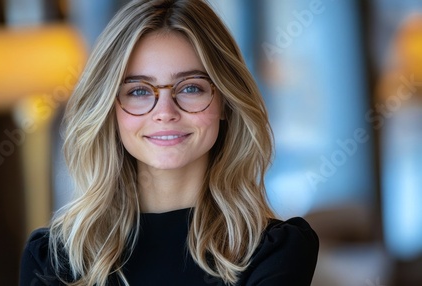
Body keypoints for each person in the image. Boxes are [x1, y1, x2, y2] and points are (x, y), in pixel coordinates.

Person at [19, 0, 319, 285]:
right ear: (110, 109)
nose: (165, 113)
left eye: (190, 87)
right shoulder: (53, 260)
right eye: (138, 91)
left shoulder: (273, 251)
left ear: (226, 101)